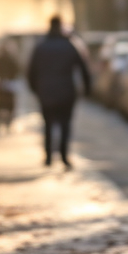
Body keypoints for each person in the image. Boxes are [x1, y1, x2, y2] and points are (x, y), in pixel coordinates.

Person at [27, 15, 91, 168]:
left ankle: (48, 157)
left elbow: (30, 72)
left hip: (45, 92)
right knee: (65, 124)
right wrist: (87, 89)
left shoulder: (40, 47)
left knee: (47, 123)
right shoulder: (69, 45)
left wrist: (36, 89)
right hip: (66, 91)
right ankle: (64, 156)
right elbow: (83, 68)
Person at [0, 43, 20, 132]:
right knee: (8, 104)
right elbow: (17, 70)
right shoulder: (11, 60)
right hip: (9, 84)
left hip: (0, 84)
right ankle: (7, 122)